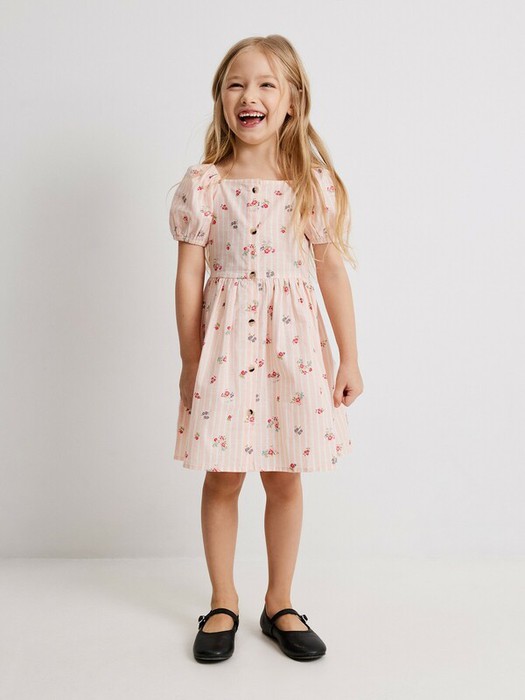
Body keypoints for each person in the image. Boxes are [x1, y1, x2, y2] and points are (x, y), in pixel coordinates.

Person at [168, 34, 364, 663]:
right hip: (225, 350)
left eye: (264, 84)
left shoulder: (312, 184)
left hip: (293, 349)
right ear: (221, 99)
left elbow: (331, 272)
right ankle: (222, 599)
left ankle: (279, 600)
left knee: (285, 477)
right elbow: (188, 279)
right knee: (223, 475)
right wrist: (190, 361)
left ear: (292, 100)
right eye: (235, 84)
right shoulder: (205, 184)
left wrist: (349, 356)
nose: (248, 95)